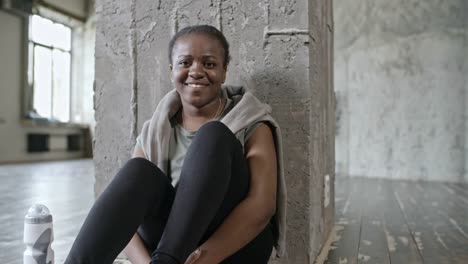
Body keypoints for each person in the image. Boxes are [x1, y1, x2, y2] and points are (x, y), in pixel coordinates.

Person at [64, 25, 286, 264]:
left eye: (209, 64)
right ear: (172, 72)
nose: (196, 71)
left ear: (224, 72)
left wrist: (200, 259)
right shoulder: (155, 130)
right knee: (138, 171)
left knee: (213, 136)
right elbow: (125, 215)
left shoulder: (251, 121)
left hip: (233, 247)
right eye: (185, 63)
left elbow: (262, 205)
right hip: (171, 248)